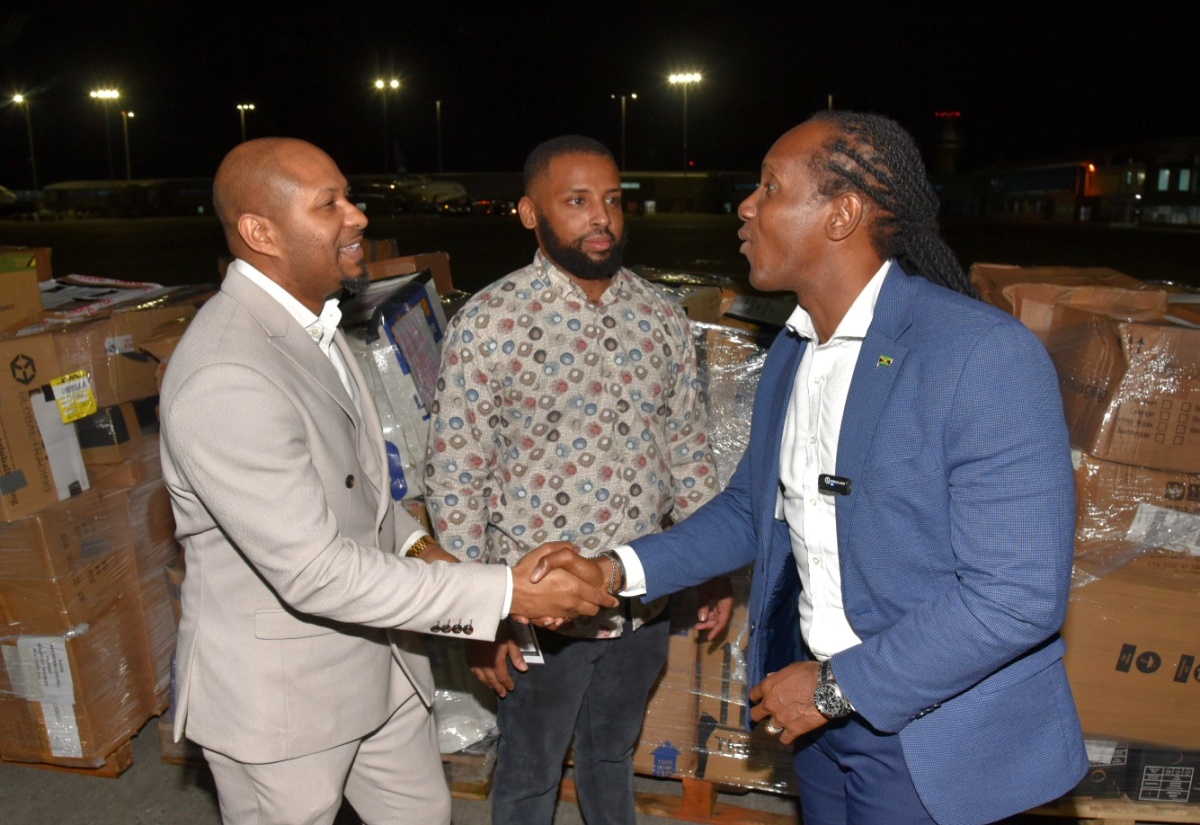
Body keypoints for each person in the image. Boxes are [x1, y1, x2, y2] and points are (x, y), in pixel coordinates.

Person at [533, 112, 1089, 825]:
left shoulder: (982, 355)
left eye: (769, 186)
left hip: (931, 738)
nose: (746, 205)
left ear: (843, 213)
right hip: (822, 731)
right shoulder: (797, 349)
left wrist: (834, 686)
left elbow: (1015, 596)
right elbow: (751, 510)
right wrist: (612, 571)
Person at [158, 137, 617, 825]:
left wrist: (429, 551)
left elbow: (362, 496)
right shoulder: (229, 372)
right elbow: (312, 569)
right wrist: (506, 590)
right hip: (283, 698)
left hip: (380, 663)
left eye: (349, 196)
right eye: (329, 205)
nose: (357, 217)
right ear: (261, 232)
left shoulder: (317, 326)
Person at [423, 134, 729, 825]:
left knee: (612, 754)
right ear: (531, 214)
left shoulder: (659, 316)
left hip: (643, 598)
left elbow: (690, 453)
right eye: (578, 201)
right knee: (530, 775)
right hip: (537, 613)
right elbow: (455, 477)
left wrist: (707, 569)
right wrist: (479, 615)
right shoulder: (489, 323)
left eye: (614, 201)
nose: (603, 218)